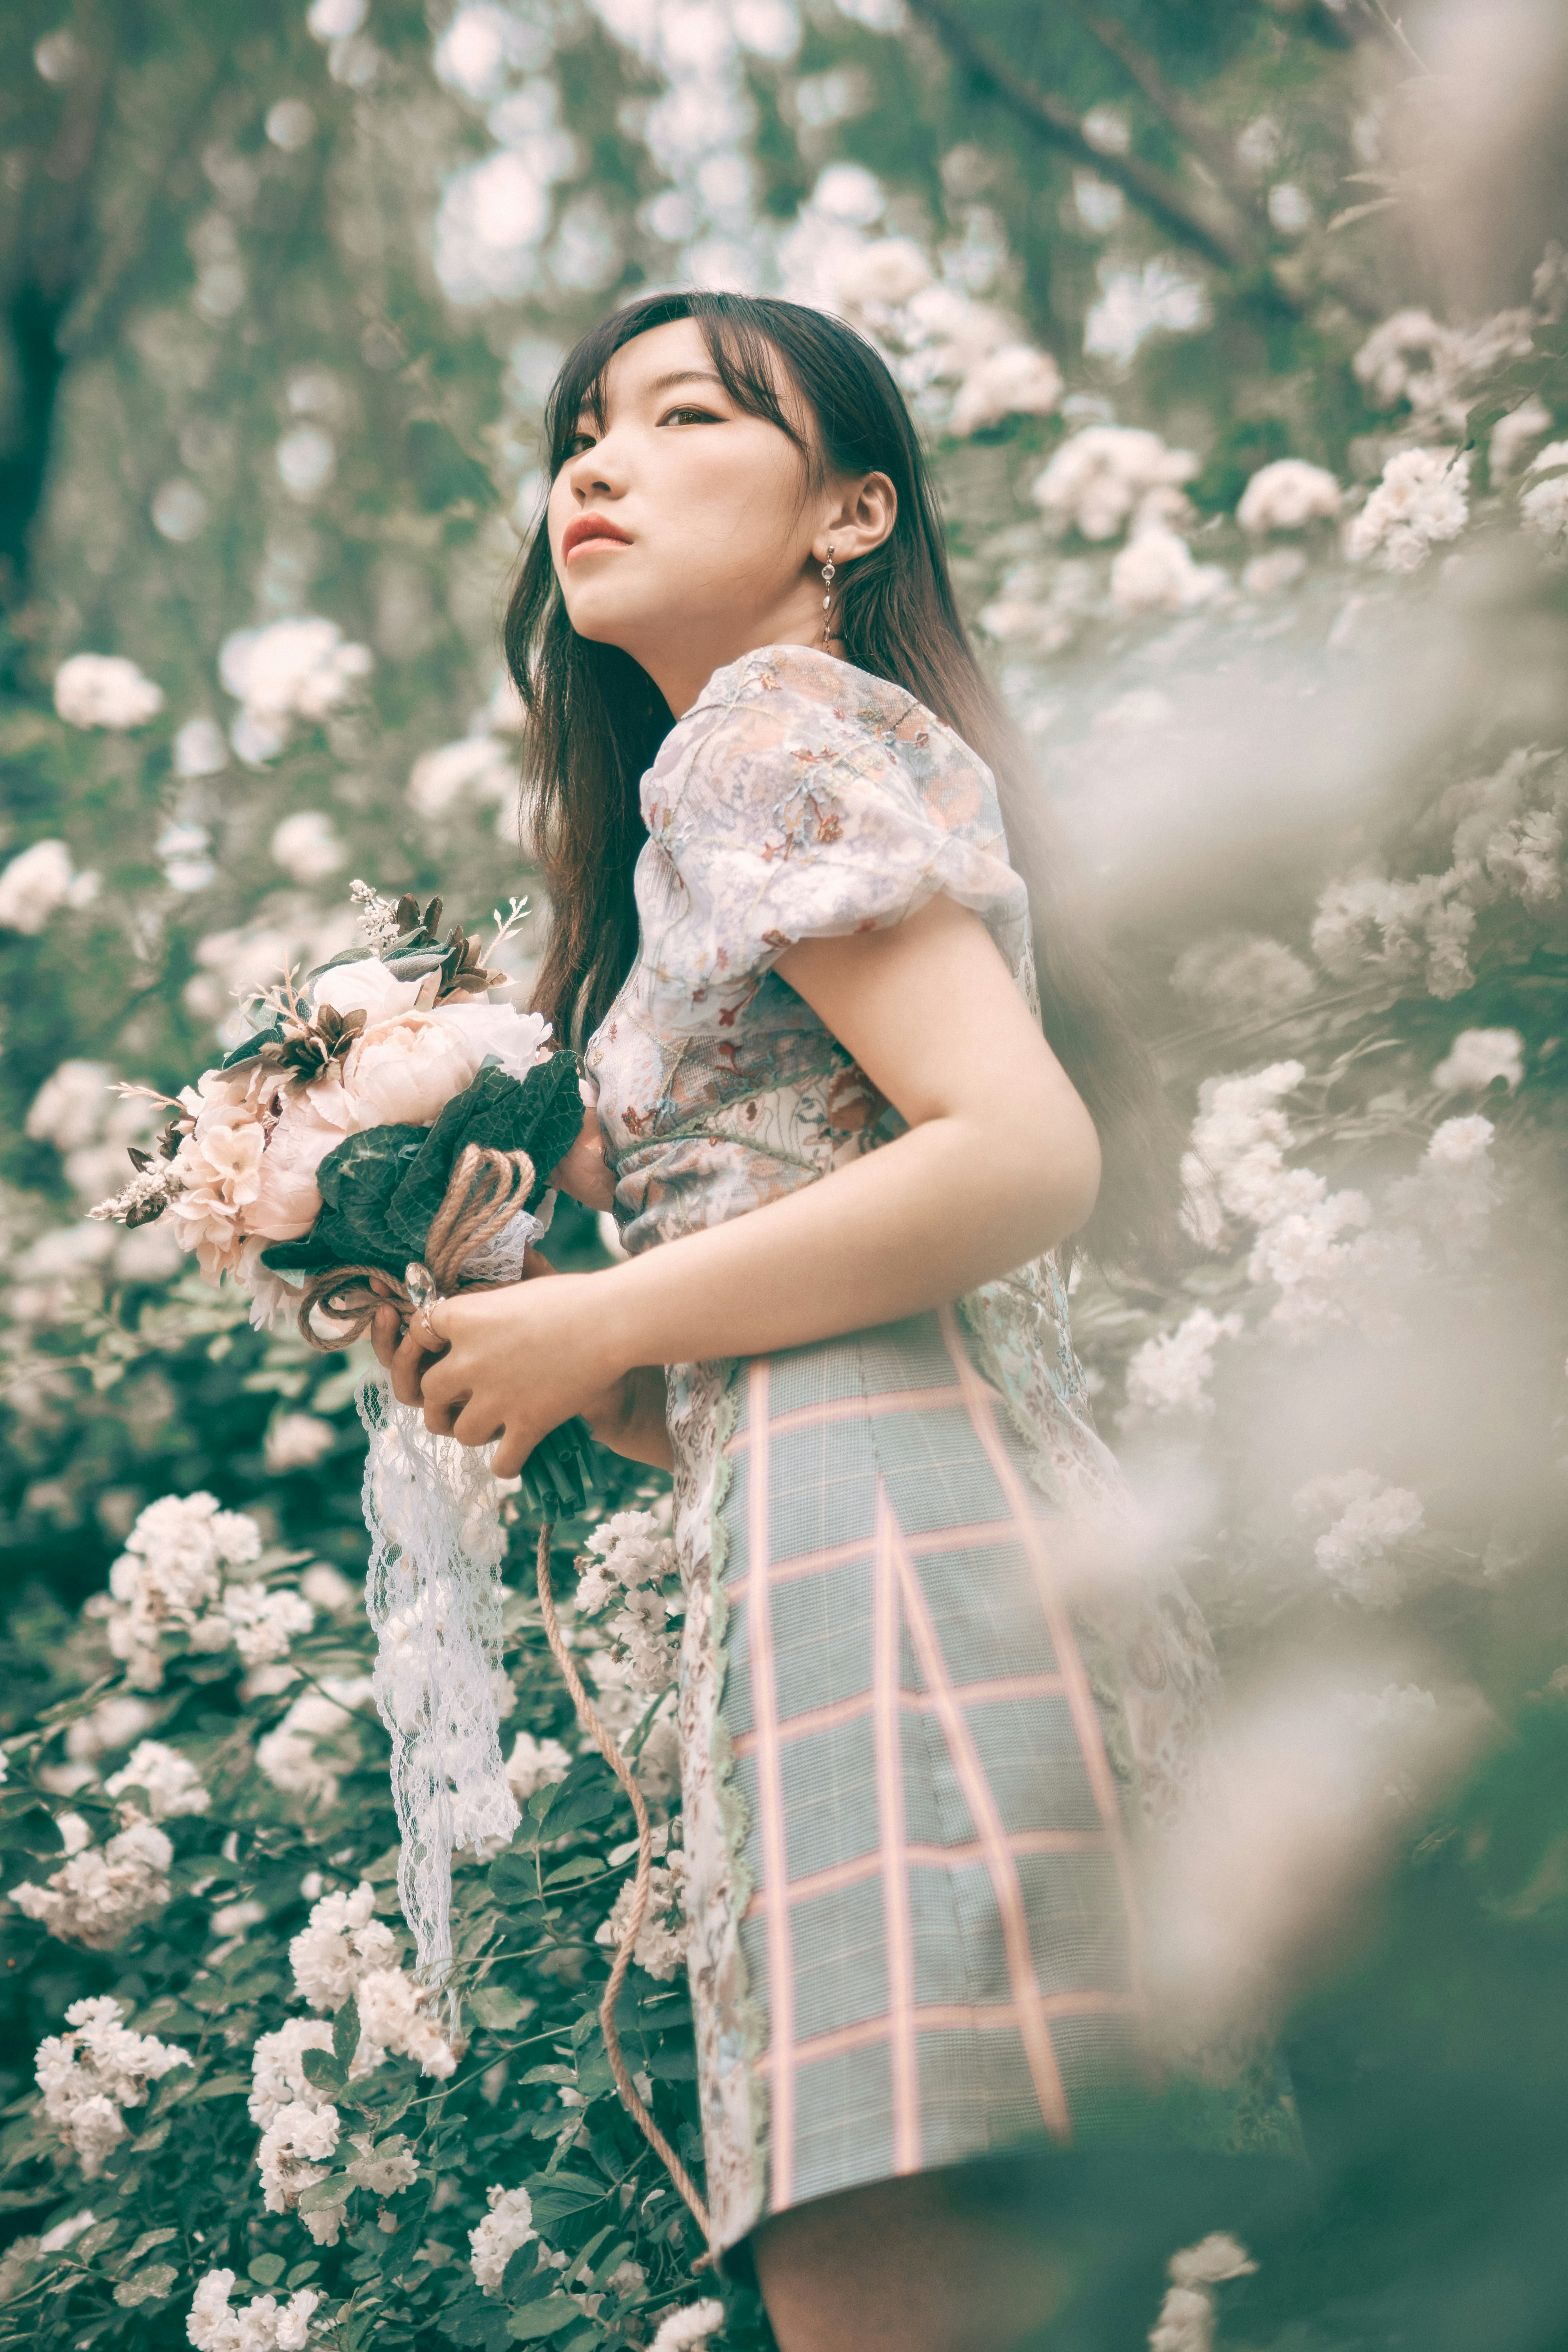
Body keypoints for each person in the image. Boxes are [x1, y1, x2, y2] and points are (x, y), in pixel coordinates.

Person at [372, 291, 1302, 2352]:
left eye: (687, 416)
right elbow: (736, 1372)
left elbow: (1014, 1157)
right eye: (582, 429)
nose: (593, 466)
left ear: (850, 512)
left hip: (889, 1577)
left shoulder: (765, 739)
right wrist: (474, 1320)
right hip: (877, 1544)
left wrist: (589, 1326)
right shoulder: (738, 779)